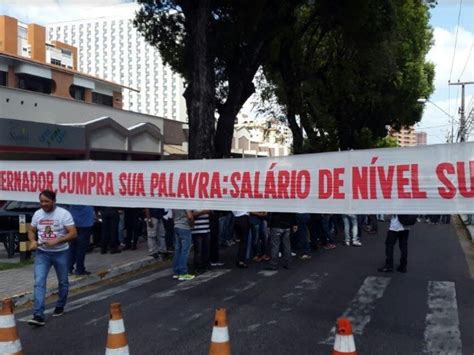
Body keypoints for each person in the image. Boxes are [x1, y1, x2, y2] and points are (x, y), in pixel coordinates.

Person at [27, 190, 77, 326]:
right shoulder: (38, 214)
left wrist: (58, 241)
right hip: (42, 253)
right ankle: (38, 315)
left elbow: (73, 233)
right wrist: (32, 241)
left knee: (63, 281)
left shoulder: (63, 214)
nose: (44, 204)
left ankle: (60, 305)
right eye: (41, 201)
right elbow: (31, 230)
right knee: (39, 281)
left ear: (54, 201)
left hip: (61, 252)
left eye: (46, 201)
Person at [68, 205, 94, 275]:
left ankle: (69, 268)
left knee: (72, 246)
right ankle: (79, 269)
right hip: (85, 222)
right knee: (81, 248)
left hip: (73, 221)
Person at [172, 209, 195, 281]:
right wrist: (192, 225)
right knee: (185, 250)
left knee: (178, 249)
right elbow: (190, 216)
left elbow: (173, 215)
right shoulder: (187, 203)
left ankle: (176, 272)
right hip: (185, 227)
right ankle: (183, 272)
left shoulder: (175, 203)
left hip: (176, 225)